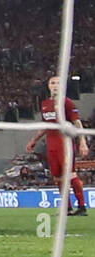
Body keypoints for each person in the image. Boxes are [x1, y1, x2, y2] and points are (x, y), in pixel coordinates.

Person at [26, 76, 89, 215]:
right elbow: (45, 126)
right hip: (51, 143)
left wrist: (82, 142)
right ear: (48, 86)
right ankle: (67, 208)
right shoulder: (45, 104)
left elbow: (77, 124)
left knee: (70, 174)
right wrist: (34, 140)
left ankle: (82, 207)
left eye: (58, 83)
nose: (55, 86)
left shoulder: (67, 103)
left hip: (64, 143)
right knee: (58, 177)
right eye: (52, 83)